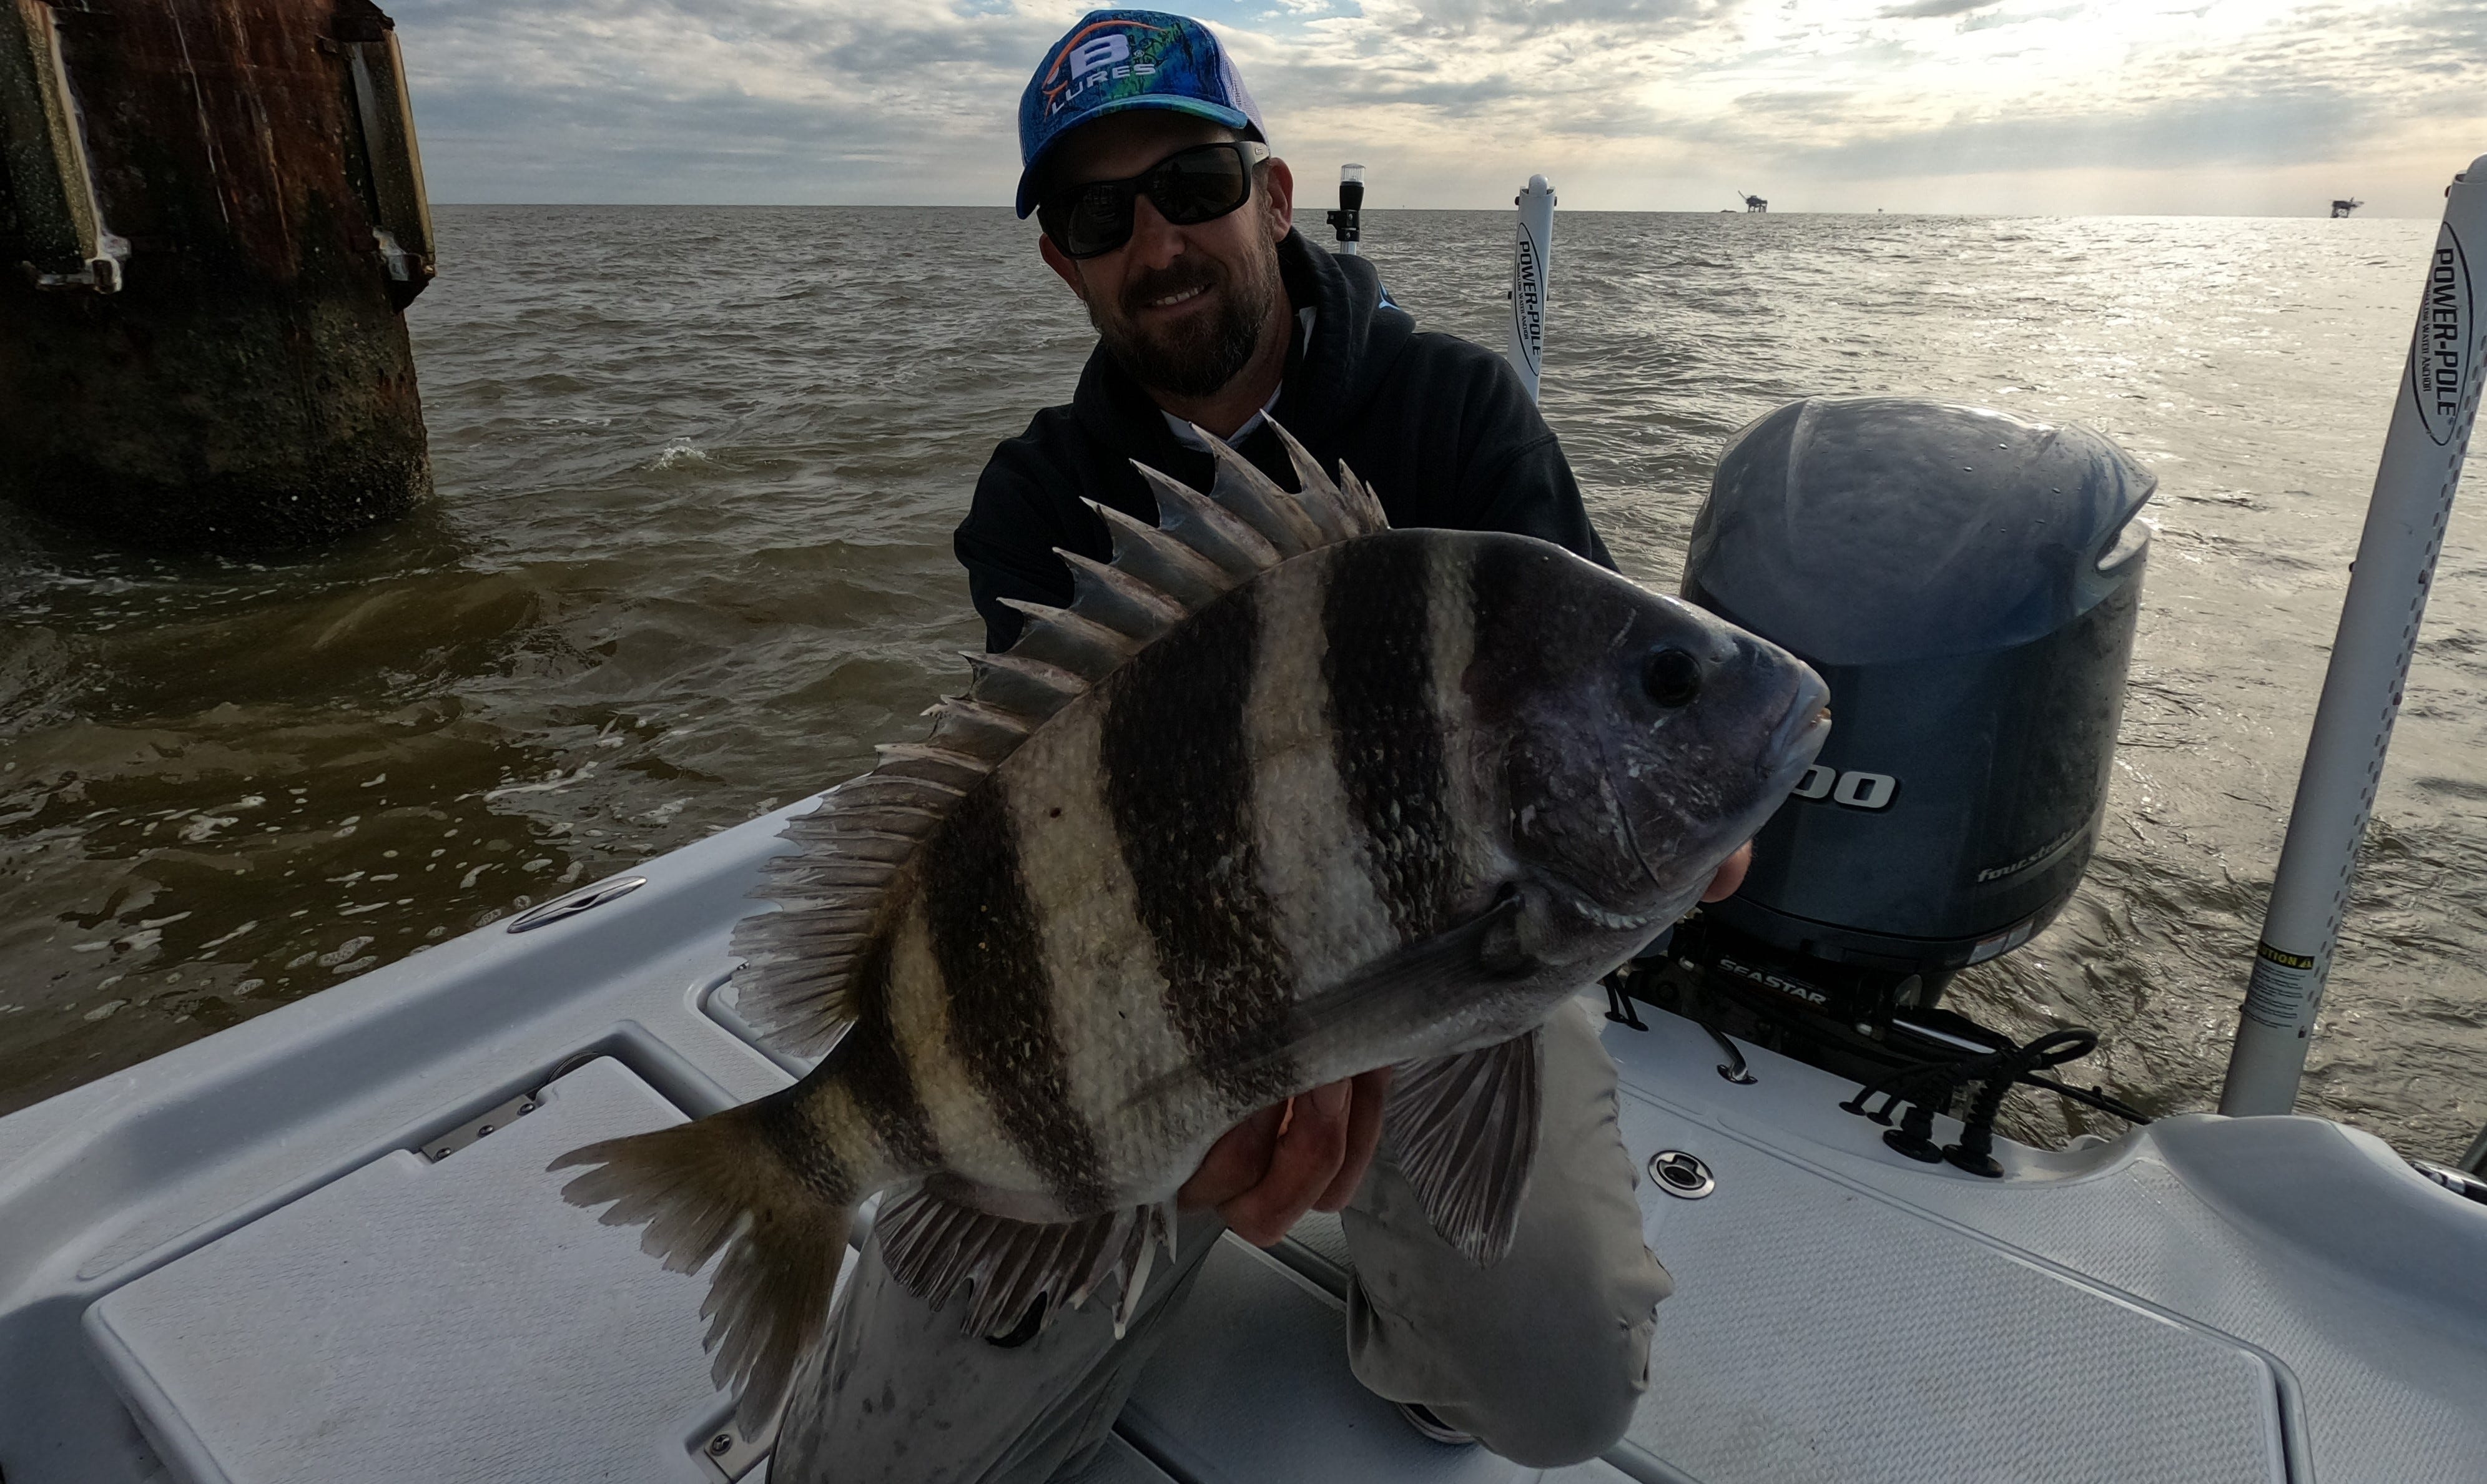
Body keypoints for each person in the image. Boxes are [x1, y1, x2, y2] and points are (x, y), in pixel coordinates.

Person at [771, 12, 1746, 1479]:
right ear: (1063, 259)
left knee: (1557, 1388)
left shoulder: (1454, 413)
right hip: (1119, 1014)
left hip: (1458, 980)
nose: (1158, 238)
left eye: (1196, 181)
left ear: (1274, 195)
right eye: (1101, 213)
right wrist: (1195, 1105)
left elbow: (1606, 725)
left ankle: (1411, 1312)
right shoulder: (1039, 497)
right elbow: (1016, 825)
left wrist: (1684, 805)